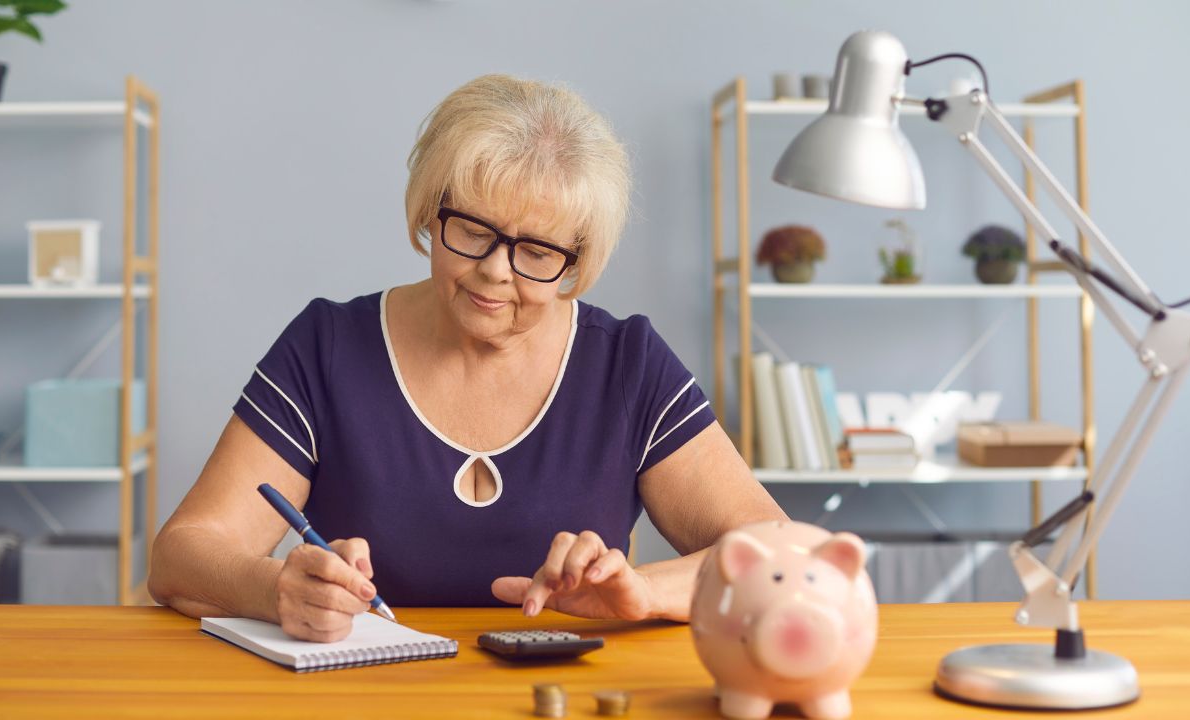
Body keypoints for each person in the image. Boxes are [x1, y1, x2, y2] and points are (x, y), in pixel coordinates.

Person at [149, 74, 787, 642]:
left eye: (537, 252)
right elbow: (180, 556)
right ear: (430, 210)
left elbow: (779, 551)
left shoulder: (627, 364)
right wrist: (275, 589)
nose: (494, 273)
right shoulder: (329, 346)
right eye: (473, 232)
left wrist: (643, 593)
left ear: (578, 258)